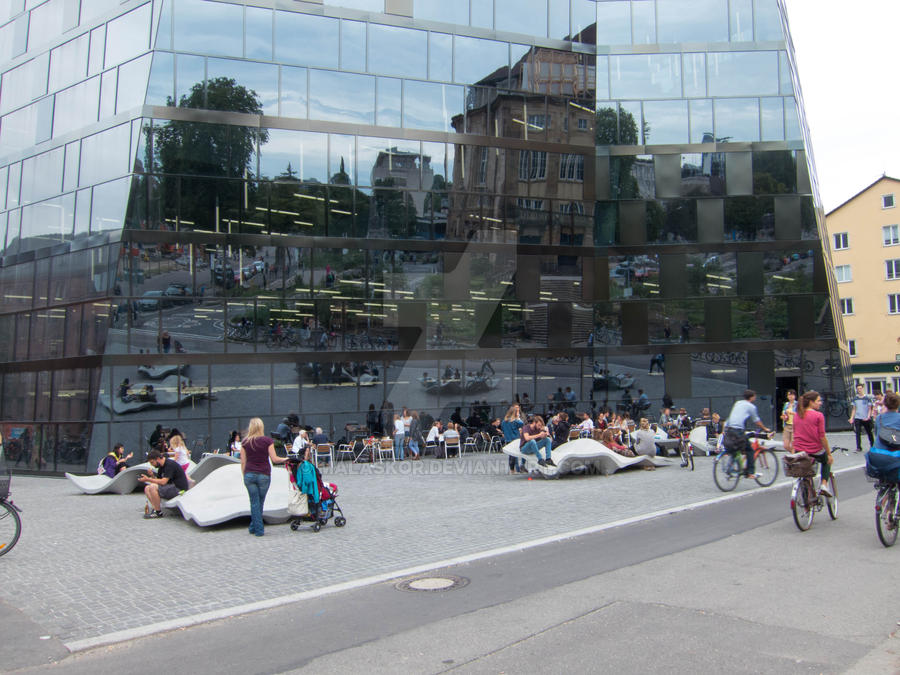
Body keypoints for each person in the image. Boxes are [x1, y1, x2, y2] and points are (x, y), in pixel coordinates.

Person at [240, 417, 289, 536]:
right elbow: (275, 459)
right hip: (264, 475)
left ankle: (254, 527)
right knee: (260, 502)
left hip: (249, 474)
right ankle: (259, 530)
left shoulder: (245, 442)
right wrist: (287, 459)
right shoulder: (267, 441)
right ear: (261, 427)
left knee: (254, 502)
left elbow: (243, 462)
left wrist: (244, 474)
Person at [791, 390, 834, 496]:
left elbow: (794, 433)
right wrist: (828, 453)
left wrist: (793, 450)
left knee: (805, 472)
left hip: (799, 450)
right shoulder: (818, 415)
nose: (820, 403)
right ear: (811, 402)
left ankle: (806, 502)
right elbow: (822, 437)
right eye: (818, 401)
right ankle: (824, 484)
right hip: (815, 450)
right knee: (827, 461)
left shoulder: (797, 415)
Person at [722, 389, 771, 479]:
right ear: (752, 397)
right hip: (738, 430)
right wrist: (765, 428)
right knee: (750, 450)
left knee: (736, 448)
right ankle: (750, 472)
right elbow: (756, 421)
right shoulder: (751, 406)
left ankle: (732, 467)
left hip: (729, 429)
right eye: (754, 396)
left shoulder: (738, 403)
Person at [139, 449, 190, 519]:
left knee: (152, 487)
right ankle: (155, 509)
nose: (152, 465)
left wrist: (148, 479)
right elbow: (158, 481)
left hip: (179, 489)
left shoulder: (169, 465)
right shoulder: (161, 467)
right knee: (147, 488)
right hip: (171, 487)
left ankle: (158, 512)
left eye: (152, 462)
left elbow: (163, 482)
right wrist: (152, 476)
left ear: (157, 459)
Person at [867, 391, 900, 481]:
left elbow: (877, 434)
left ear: (885, 404)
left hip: (877, 455)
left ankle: (883, 490)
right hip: (895, 457)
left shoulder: (879, 418)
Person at [849, 383, 875, 453]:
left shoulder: (867, 398)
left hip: (865, 417)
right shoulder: (855, 399)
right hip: (858, 417)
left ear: (863, 389)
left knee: (869, 432)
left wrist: (868, 417)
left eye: (860, 388)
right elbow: (854, 409)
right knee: (857, 432)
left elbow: (870, 408)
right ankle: (858, 447)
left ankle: (872, 445)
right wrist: (852, 418)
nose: (859, 390)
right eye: (858, 389)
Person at [502, 405, 525, 473]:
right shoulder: (515, 421)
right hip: (515, 438)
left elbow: (503, 429)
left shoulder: (504, 421)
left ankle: (512, 469)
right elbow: (522, 424)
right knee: (516, 454)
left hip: (508, 439)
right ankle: (517, 468)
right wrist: (518, 417)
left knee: (511, 455)